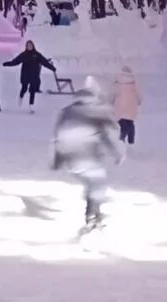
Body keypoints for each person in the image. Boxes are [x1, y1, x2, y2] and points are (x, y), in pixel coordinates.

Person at [52, 78, 123, 234]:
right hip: (89, 157)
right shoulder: (93, 112)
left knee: (92, 185)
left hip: (72, 159)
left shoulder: (66, 112)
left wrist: (58, 159)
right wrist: (116, 153)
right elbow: (105, 134)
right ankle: (92, 216)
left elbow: (58, 136)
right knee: (96, 185)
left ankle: (94, 215)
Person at [3, 41, 55, 113]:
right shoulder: (24, 55)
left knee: (32, 91)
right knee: (24, 88)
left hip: (34, 75)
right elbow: (15, 62)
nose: (29, 46)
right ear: (26, 47)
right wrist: (7, 64)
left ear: (33, 46)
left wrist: (52, 68)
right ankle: (21, 96)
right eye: (28, 45)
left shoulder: (37, 55)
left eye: (30, 45)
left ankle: (31, 106)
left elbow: (44, 62)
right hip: (25, 75)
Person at [111, 66, 140, 145]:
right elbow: (138, 93)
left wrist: (111, 101)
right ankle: (130, 141)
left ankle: (121, 138)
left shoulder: (117, 81)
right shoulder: (134, 81)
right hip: (131, 104)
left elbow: (113, 92)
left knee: (121, 122)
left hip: (119, 104)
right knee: (130, 122)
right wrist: (139, 101)